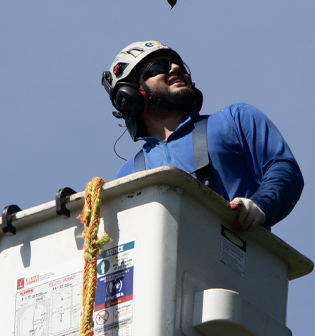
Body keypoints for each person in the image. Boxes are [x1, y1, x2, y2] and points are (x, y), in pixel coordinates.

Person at [102, 41, 303, 232]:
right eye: (158, 67)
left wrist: (261, 205)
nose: (175, 68)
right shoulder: (127, 175)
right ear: (130, 95)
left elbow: (282, 168)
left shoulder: (235, 120)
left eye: (178, 64)